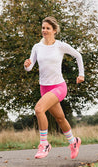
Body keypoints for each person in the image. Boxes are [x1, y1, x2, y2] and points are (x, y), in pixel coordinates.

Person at [24, 16, 84, 159]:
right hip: (44, 88)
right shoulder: (37, 47)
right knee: (60, 118)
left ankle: (44, 144)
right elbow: (30, 66)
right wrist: (26, 66)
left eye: (48, 28)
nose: (44, 30)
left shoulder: (60, 46)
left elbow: (78, 56)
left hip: (59, 86)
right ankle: (73, 141)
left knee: (39, 109)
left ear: (54, 31)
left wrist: (81, 74)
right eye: (43, 28)